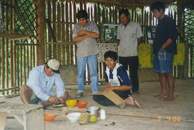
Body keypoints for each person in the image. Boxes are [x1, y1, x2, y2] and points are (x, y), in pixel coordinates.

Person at [150, 1, 178, 101]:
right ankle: (163, 93)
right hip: (159, 51)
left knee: (168, 73)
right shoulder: (160, 22)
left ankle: (171, 96)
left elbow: (171, 38)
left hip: (166, 51)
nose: (154, 14)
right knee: (160, 73)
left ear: (161, 10)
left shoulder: (169, 21)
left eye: (155, 12)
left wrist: (162, 48)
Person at [73, 10, 99, 97]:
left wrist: (84, 32)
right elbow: (75, 39)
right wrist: (89, 35)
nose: (81, 22)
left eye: (83, 19)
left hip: (92, 51)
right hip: (81, 53)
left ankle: (95, 91)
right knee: (80, 73)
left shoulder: (92, 24)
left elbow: (97, 35)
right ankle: (80, 90)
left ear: (87, 19)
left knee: (94, 72)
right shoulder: (76, 26)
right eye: (80, 20)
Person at [117, 9, 143, 93]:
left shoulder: (136, 25)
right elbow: (119, 40)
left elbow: (140, 38)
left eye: (124, 18)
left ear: (128, 16)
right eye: (121, 19)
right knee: (123, 73)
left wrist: (133, 46)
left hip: (132, 54)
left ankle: (135, 89)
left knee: (133, 73)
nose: (122, 20)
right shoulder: (119, 27)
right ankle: (124, 89)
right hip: (122, 54)